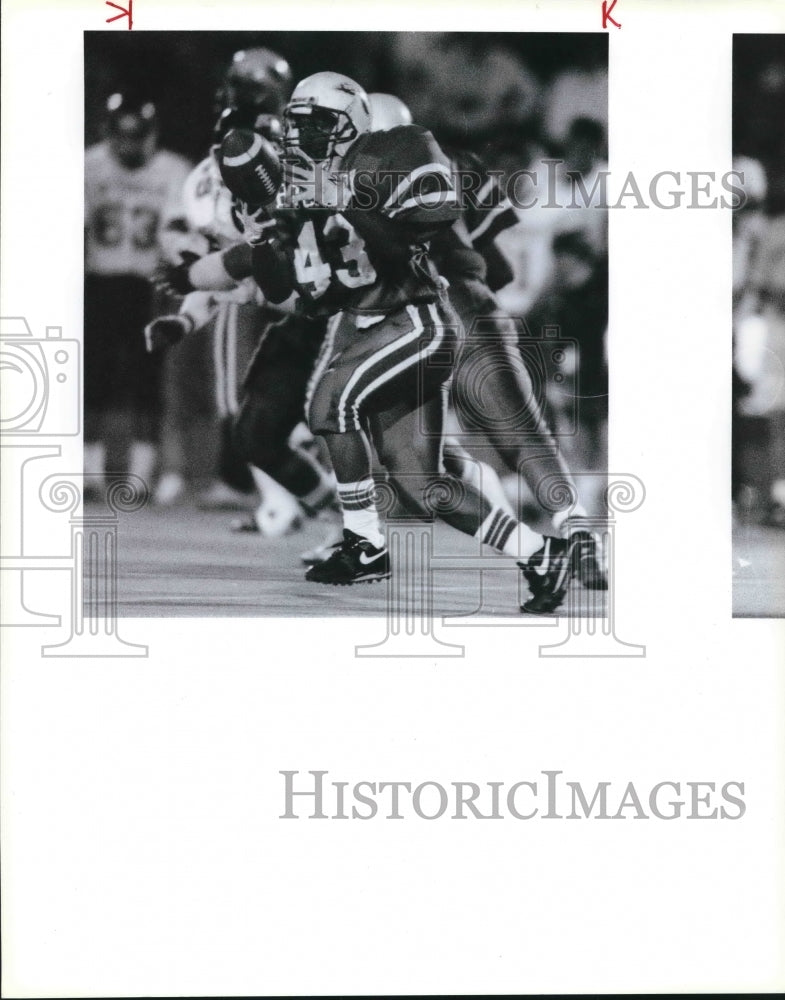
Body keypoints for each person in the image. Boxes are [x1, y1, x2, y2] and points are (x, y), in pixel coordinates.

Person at [240, 71, 592, 613]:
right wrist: (266, 240)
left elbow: (418, 237)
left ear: (354, 126)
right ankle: (541, 555)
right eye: (296, 128)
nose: (298, 141)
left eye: (314, 127)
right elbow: (302, 295)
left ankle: (364, 544)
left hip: (419, 318)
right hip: (374, 325)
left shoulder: (394, 153)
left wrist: (344, 200)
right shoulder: (300, 189)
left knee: (330, 402)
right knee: (421, 485)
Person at [147, 48, 336, 534]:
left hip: (308, 293)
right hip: (273, 290)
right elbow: (216, 253)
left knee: (269, 410)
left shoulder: (303, 160)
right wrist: (187, 306)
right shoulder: (218, 173)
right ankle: (298, 500)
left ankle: (309, 496)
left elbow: (232, 255)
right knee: (253, 410)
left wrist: (193, 275)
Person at [84, 91, 192, 493]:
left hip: (149, 283)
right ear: (107, 133)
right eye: (122, 134)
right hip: (99, 279)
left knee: (147, 377)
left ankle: (141, 473)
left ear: (152, 135)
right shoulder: (87, 166)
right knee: (95, 376)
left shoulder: (173, 171)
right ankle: (89, 470)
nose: (129, 144)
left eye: (137, 135)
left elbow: (176, 236)